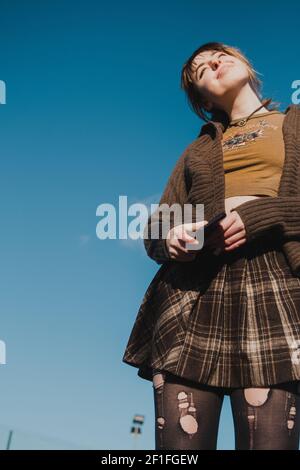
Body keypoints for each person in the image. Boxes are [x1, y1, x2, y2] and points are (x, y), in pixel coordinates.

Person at [122, 41, 300, 450]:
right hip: (190, 294)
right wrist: (171, 237)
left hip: (275, 288)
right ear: (202, 100)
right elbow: (159, 222)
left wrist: (263, 218)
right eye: (200, 69)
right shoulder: (198, 149)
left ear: (245, 65)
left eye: (220, 56)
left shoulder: (293, 122)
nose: (211, 63)